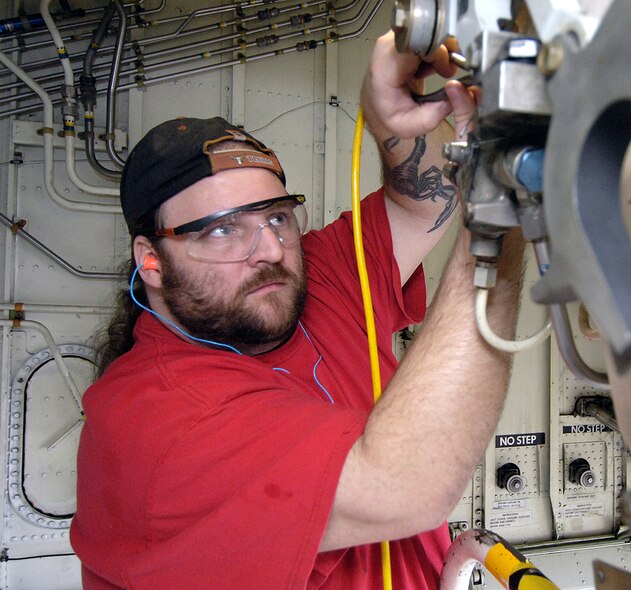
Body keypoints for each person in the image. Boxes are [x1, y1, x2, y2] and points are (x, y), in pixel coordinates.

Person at [71, 31, 525, 589]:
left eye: (277, 216)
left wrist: (388, 111)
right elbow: (406, 486)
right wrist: (505, 201)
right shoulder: (152, 424)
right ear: (152, 261)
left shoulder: (304, 276)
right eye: (221, 230)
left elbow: (427, 199)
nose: (268, 249)